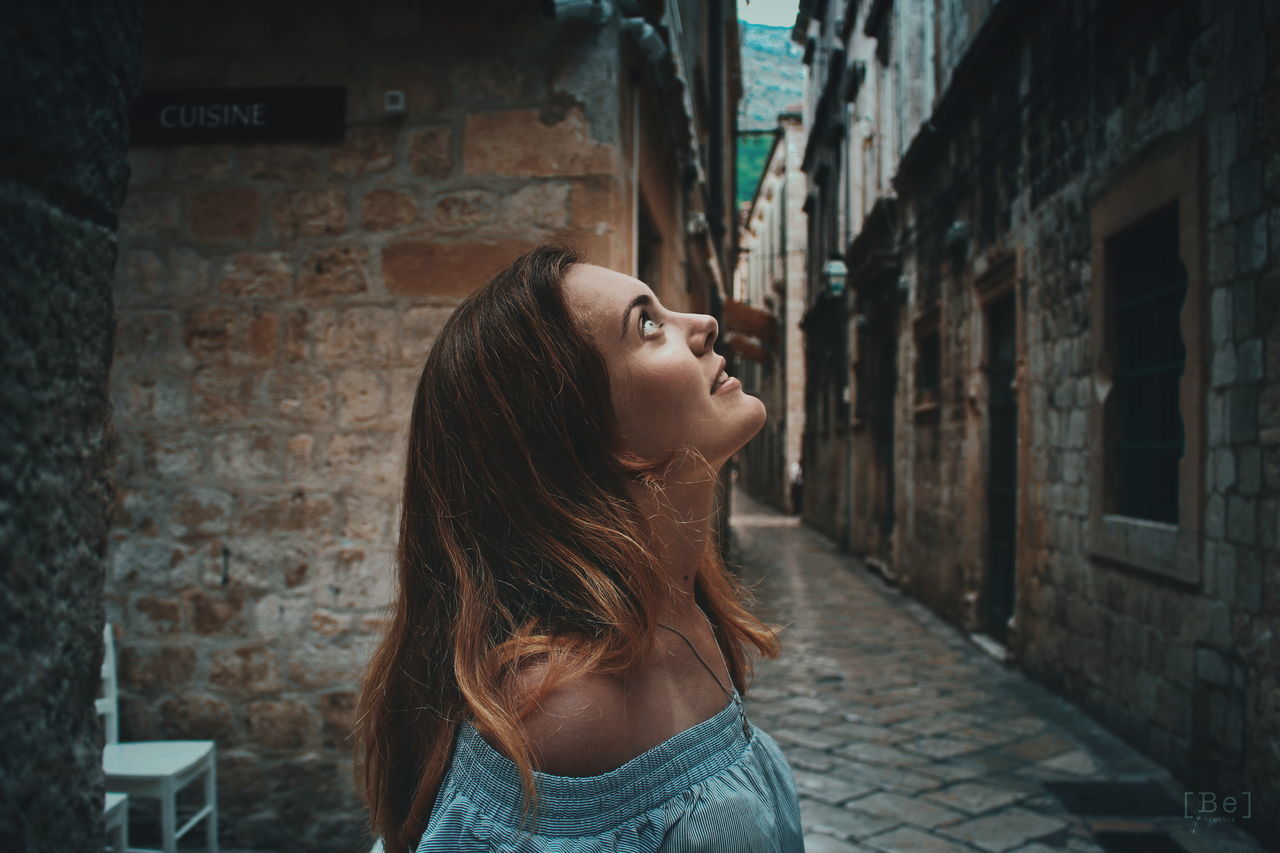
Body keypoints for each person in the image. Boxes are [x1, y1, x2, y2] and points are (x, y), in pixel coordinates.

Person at [353, 245, 804, 853]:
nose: (703, 325)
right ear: (582, 431)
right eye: (648, 324)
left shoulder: (689, 611)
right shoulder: (567, 709)